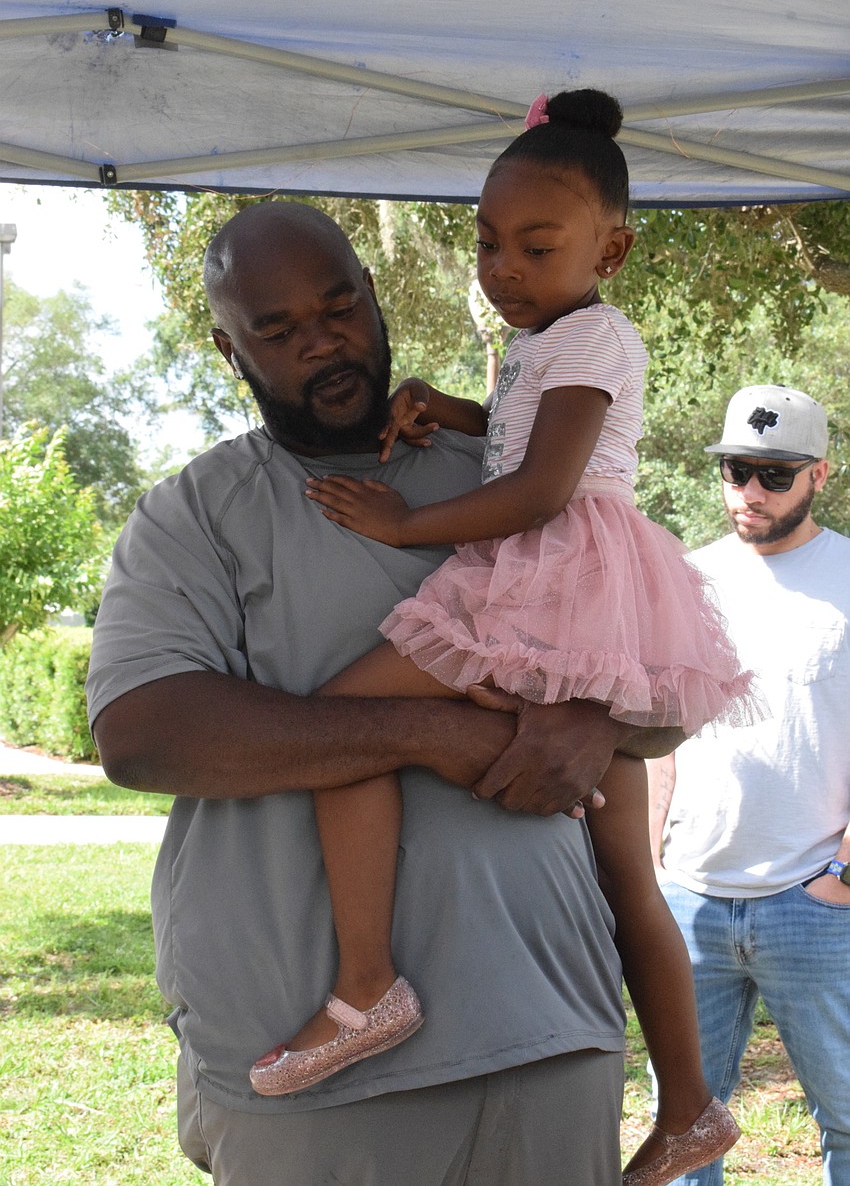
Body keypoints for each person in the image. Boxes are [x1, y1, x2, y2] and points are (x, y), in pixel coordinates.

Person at [87, 197, 651, 1186]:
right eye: (279, 329)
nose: (325, 341)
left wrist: (594, 719)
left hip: (548, 1036)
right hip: (315, 1076)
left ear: (375, 297)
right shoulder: (197, 512)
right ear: (231, 350)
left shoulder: (517, 479)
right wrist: (425, 733)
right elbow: (144, 732)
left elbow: (667, 678)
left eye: (340, 305)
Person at [254, 89, 749, 1185]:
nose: (501, 267)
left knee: (336, 725)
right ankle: (692, 1106)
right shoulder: (551, 340)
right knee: (627, 876)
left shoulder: (595, 334)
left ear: (610, 248)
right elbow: (532, 426)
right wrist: (456, 404)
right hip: (592, 588)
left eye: (536, 245)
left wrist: (407, 522)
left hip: (553, 576)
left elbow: (541, 487)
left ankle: (369, 983)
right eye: (485, 242)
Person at [648, 384, 850, 1186]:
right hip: (687, 901)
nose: (750, 492)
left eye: (773, 474)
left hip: (815, 897)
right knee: (684, 1130)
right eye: (735, 470)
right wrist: (648, 865)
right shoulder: (685, 581)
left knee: (847, 1120)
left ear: (820, 474)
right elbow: (656, 736)